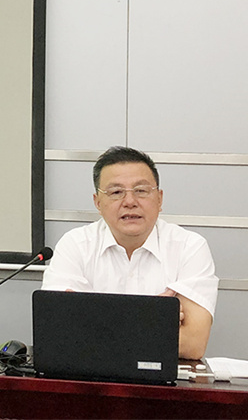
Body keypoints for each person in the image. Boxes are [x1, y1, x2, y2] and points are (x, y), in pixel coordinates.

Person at [41, 146, 218, 360]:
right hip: (90, 374)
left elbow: (193, 344)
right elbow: (59, 334)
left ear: (159, 199)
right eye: (116, 192)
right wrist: (149, 318)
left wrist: (94, 320)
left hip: (162, 376)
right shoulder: (74, 245)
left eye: (141, 190)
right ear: (98, 203)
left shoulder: (189, 247)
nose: (130, 202)